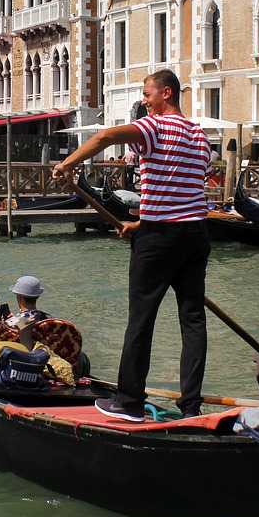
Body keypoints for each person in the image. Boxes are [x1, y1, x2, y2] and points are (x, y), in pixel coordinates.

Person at [52, 69, 212, 422]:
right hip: (195, 234)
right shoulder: (200, 136)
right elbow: (181, 191)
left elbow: (106, 135)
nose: (144, 100)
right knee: (193, 321)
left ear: (166, 94)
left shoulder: (154, 126)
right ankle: (191, 407)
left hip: (160, 240)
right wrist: (140, 222)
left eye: (147, 93)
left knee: (141, 318)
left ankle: (129, 402)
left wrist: (67, 164)